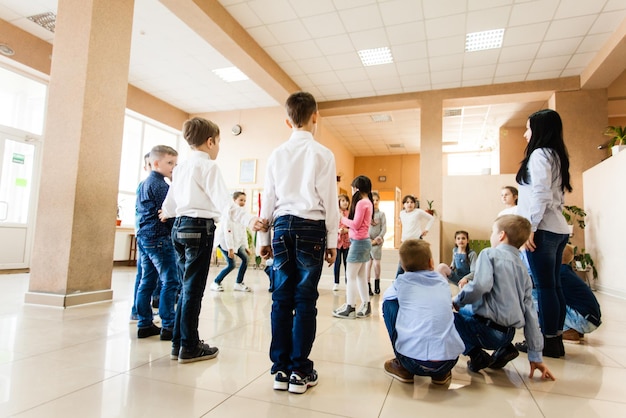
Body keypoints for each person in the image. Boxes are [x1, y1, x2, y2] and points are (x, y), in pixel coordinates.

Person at [161, 117, 267, 364]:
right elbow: (224, 204)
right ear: (210, 142)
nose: (218, 147)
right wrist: (249, 219)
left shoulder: (181, 168)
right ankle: (189, 345)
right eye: (218, 142)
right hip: (199, 229)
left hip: (178, 228)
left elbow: (169, 206)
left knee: (184, 289)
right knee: (193, 291)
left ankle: (178, 343)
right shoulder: (208, 167)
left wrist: (169, 213)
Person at [258, 91, 339, 395]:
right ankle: (300, 371)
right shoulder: (323, 153)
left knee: (281, 298)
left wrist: (263, 238)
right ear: (315, 116)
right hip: (311, 228)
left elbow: (268, 199)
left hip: (280, 227)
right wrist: (332, 239)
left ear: (287, 120)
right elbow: (330, 201)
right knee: (305, 301)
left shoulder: (277, 154)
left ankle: (280, 369)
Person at [452, 215, 555, 380]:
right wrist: (535, 356)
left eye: (493, 232)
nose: (491, 235)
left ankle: (476, 355)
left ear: (501, 235)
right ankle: (504, 349)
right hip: (508, 334)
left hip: (487, 332)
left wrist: (457, 300)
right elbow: (531, 314)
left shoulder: (489, 254)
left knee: (447, 318)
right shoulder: (523, 269)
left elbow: (480, 286)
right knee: (468, 311)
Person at [515, 109, 572, 358]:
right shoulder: (556, 154)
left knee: (544, 288)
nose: (525, 134)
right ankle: (554, 339)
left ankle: (547, 342)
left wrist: (530, 227)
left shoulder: (539, 155)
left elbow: (540, 194)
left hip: (543, 229)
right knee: (554, 286)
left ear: (539, 130)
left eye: (528, 128)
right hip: (558, 229)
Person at [382, 239, 465, 386]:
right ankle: (440, 375)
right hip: (449, 361)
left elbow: (387, 297)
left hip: (412, 362)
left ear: (403, 266)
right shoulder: (442, 282)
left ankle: (402, 366)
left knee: (389, 304)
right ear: (432, 263)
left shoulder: (401, 282)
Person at [135, 145, 179, 341]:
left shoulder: (144, 184)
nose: (173, 167)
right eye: (170, 163)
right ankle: (169, 325)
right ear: (155, 163)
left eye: (175, 164)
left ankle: (144, 323)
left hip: (144, 237)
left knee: (147, 281)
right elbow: (169, 214)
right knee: (170, 281)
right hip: (160, 238)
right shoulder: (162, 186)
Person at [333, 176, 374, 319]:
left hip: (359, 243)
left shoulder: (362, 203)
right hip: (363, 242)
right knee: (360, 276)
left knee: (350, 276)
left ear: (357, 188)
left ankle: (350, 307)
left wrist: (341, 218)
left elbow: (355, 224)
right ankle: (366, 305)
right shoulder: (368, 202)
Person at [130, 152, 160, 321]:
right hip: (146, 235)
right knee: (144, 274)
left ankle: (141, 309)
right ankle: (137, 311)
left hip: (146, 234)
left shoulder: (153, 185)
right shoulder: (146, 185)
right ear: (146, 167)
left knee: (147, 274)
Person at [557, 245, 601, 343]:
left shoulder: (559, 273)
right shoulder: (567, 272)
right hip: (591, 320)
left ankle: (565, 330)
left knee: (539, 297)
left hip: (583, 321)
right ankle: (573, 328)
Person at [210, 191, 252, 292]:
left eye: (244, 201)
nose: (243, 202)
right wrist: (230, 249)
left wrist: (246, 246)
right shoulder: (228, 212)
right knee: (231, 264)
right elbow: (227, 233)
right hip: (224, 242)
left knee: (246, 259)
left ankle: (238, 283)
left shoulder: (242, 213)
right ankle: (215, 282)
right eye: (241, 200)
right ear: (234, 200)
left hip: (234, 242)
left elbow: (243, 232)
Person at [396, 195, 434, 277]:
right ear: (404, 204)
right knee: (402, 262)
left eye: (412, 202)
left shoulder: (418, 212)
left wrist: (426, 229)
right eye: (407, 202)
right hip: (405, 241)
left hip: (416, 240)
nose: (409, 204)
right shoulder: (401, 213)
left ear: (415, 204)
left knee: (418, 261)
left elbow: (431, 218)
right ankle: (397, 281)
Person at [366, 192, 386, 295]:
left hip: (377, 243)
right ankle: (367, 286)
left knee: (376, 264)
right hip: (367, 242)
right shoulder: (367, 213)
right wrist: (367, 239)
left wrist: (378, 238)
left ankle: (377, 283)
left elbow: (383, 228)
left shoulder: (381, 214)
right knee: (367, 265)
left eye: (377, 200)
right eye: (373, 200)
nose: (375, 202)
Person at [333, 194, 350, 292]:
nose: (345, 202)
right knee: (337, 262)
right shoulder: (336, 213)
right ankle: (336, 282)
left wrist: (346, 230)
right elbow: (332, 225)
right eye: (343, 200)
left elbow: (352, 225)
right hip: (337, 242)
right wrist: (338, 230)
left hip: (347, 242)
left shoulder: (350, 213)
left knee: (347, 263)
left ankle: (348, 282)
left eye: (346, 200)